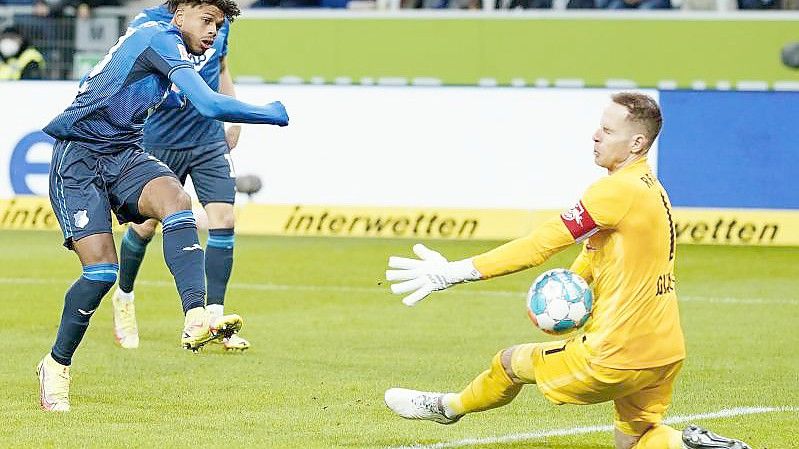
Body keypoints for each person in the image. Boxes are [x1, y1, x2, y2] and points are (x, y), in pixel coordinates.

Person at [383, 93, 750, 449]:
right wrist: (574, 283)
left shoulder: (614, 192)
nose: (595, 135)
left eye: (607, 130)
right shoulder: (651, 188)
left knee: (510, 362)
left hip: (614, 354)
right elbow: (597, 252)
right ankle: (690, 446)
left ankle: (447, 408)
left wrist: (455, 271)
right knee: (637, 441)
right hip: (664, 350)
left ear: (637, 142)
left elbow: (540, 243)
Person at [37, 0, 289, 412]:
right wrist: (269, 114)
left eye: (218, 24)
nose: (212, 31)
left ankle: (196, 316)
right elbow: (208, 103)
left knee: (177, 200)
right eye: (206, 20)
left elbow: (161, 95)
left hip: (125, 152)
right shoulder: (158, 38)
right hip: (79, 157)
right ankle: (56, 364)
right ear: (180, 15)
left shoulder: (168, 50)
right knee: (101, 272)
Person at [110, 1, 247, 352]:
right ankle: (123, 297)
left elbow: (222, 66)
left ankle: (213, 318)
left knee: (224, 218)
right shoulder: (148, 24)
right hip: (159, 139)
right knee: (145, 227)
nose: (213, 27)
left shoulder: (216, 22)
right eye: (208, 20)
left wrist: (232, 116)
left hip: (207, 138)